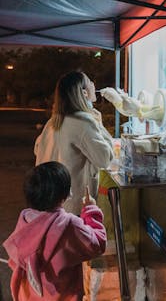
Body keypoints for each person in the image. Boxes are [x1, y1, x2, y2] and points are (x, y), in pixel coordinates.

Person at [3, 161, 107, 301]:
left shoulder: (25, 220)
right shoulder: (68, 225)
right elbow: (97, 244)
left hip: (28, 296)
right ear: (63, 196)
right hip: (63, 296)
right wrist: (91, 211)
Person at [34, 71, 114, 215]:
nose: (93, 85)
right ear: (84, 93)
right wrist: (98, 123)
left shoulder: (52, 122)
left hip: (50, 201)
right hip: (73, 206)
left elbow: (38, 149)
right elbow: (104, 159)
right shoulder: (83, 122)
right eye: (90, 81)